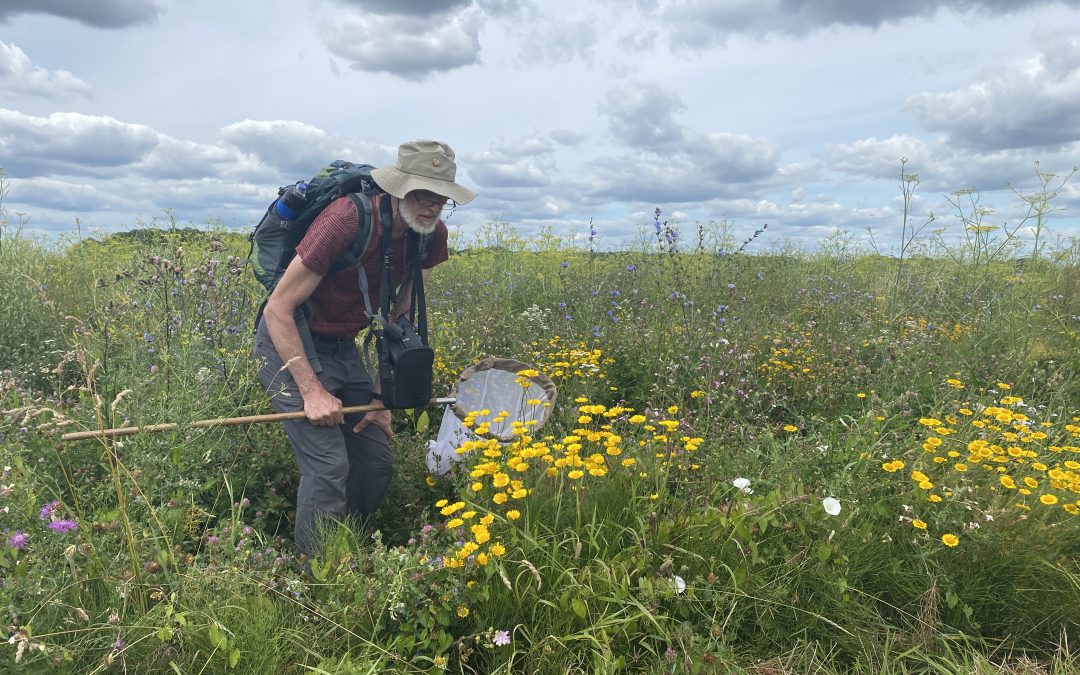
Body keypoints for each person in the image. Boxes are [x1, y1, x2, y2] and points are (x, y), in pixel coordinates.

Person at [254, 140, 476, 556]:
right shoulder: (345, 220)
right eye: (423, 193)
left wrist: (378, 396)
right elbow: (278, 309)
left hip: (342, 346)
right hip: (290, 340)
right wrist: (312, 392)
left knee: (375, 461)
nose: (433, 205)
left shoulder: (429, 236)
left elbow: (400, 320)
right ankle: (317, 574)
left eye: (442, 196)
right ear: (397, 188)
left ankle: (345, 543)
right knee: (328, 465)